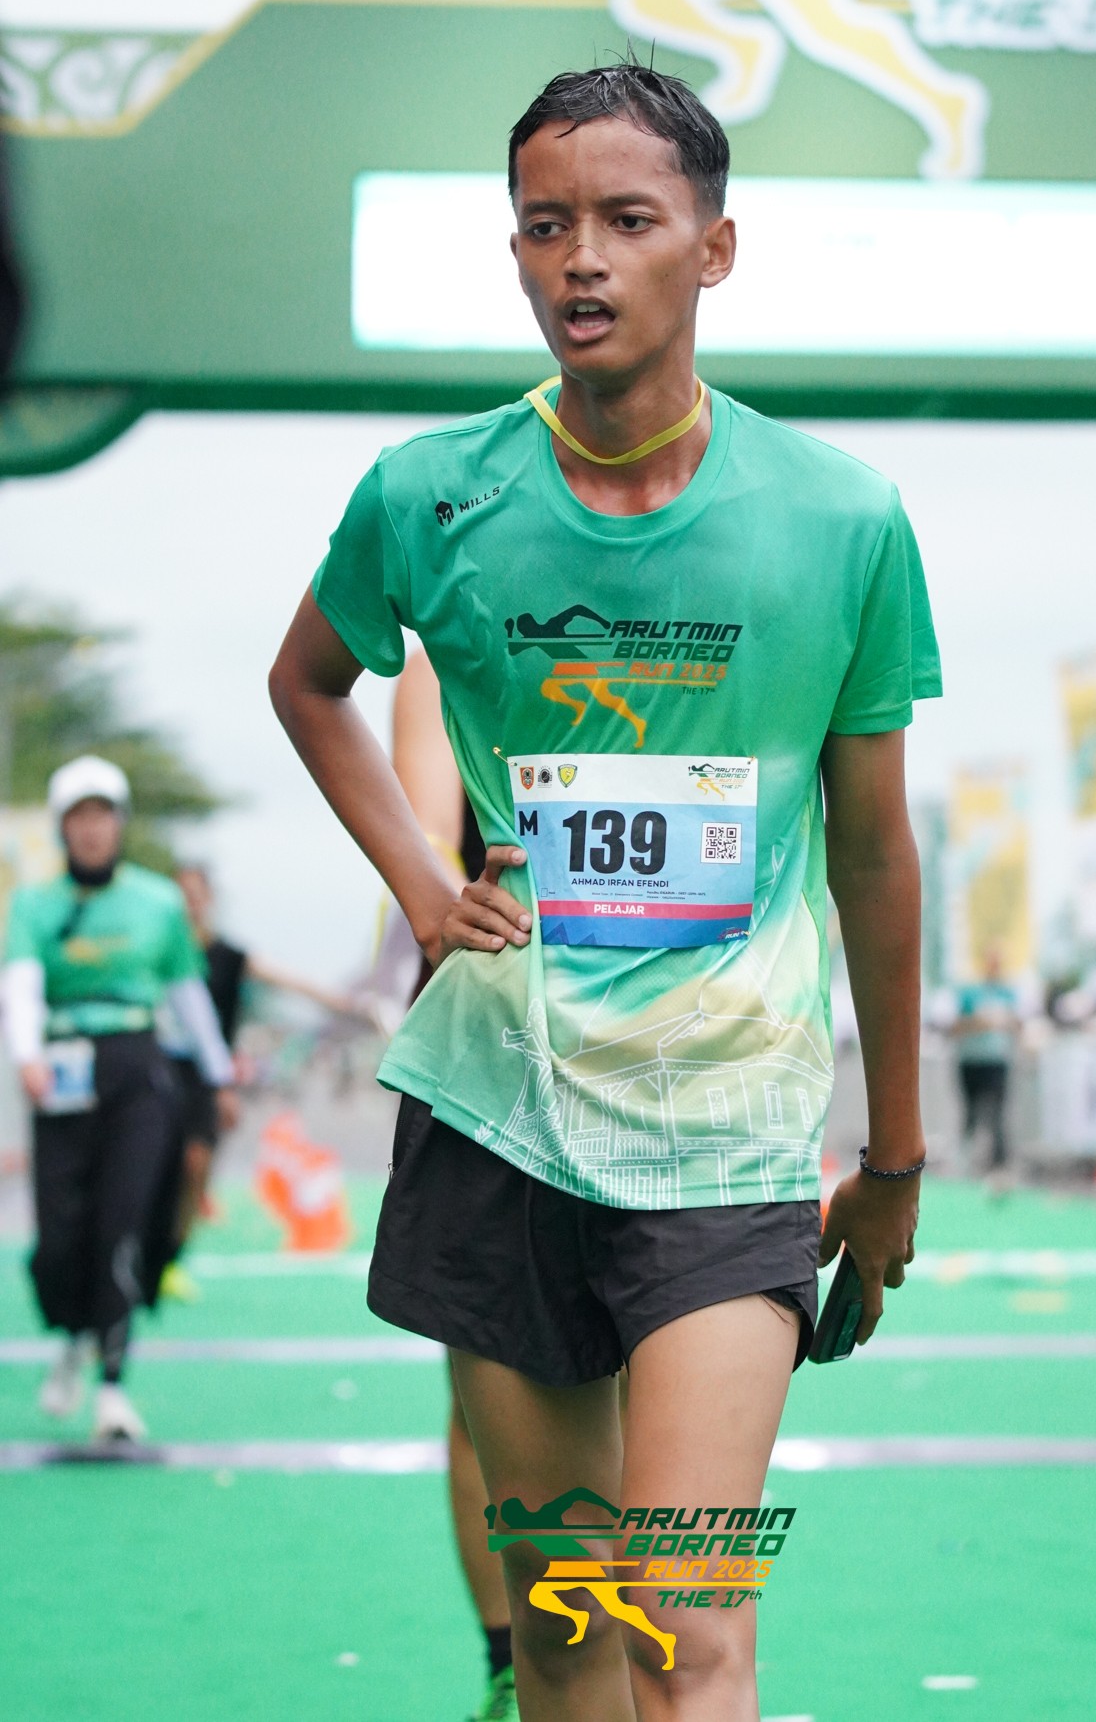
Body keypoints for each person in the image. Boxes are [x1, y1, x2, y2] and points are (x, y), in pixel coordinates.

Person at [270, 63, 940, 1719]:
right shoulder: (430, 493)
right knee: (567, 1624)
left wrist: (898, 1160)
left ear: (714, 248)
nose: (580, 258)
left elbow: (873, 852)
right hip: (500, 1121)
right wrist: (423, 888)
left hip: (729, 1134)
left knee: (687, 1625)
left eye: (628, 220)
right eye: (543, 224)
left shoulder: (843, 519)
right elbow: (309, 684)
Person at [0, 756, 234, 1442]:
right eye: (78, 816)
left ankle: (111, 1386)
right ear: (61, 827)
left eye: (102, 814)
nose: (92, 829)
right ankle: (74, 1332)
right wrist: (26, 1054)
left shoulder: (158, 902)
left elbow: (187, 995)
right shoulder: (33, 904)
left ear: (120, 823)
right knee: (58, 1240)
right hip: (61, 1073)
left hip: (137, 1069)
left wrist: (219, 1077)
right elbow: (21, 983)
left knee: (122, 1224)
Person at [389, 646, 519, 1722]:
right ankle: (510, 1656)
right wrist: (442, 898)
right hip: (489, 1032)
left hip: (666, 1041)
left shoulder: (693, 616)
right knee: (483, 1392)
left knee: (648, 1371)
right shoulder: (443, 650)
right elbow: (427, 831)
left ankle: (644, 1648)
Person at [160, 863, 372, 1287]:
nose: (189, 904)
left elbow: (288, 981)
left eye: (196, 895)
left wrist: (343, 1004)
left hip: (209, 1077)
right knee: (158, 1164)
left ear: (209, 900)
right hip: (161, 1070)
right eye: (181, 896)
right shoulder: (157, 953)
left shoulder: (229, 956)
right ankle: (148, 1251)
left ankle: (171, 1257)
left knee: (197, 1164)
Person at [951, 947, 1020, 1181]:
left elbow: (1016, 1025)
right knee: (970, 1111)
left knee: (997, 1113)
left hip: (996, 1061)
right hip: (971, 1061)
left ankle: (999, 1165)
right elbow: (956, 1026)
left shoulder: (1008, 994)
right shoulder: (970, 993)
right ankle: (964, 1161)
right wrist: (978, 1023)